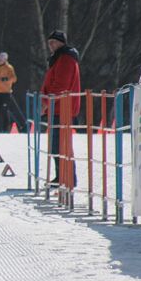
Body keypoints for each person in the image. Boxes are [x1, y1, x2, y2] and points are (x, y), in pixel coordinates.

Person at [40, 30, 81, 186]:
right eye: (49, 42)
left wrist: (47, 103)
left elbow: (60, 85)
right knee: (57, 144)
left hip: (62, 107)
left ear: (62, 43)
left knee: (60, 144)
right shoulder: (60, 58)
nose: (51, 45)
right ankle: (62, 176)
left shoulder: (65, 59)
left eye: (54, 42)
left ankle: (67, 178)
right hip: (58, 107)